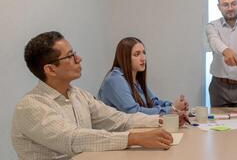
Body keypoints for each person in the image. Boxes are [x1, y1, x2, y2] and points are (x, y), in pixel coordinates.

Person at [11, 31, 182, 160]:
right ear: (50, 69)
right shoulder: (31, 106)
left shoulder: (79, 95)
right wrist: (134, 138)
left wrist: (162, 120)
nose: (79, 58)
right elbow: (73, 139)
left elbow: (119, 118)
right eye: (70, 56)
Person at [98, 37, 189, 115]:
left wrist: (176, 106)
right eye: (137, 54)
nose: (143, 58)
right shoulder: (114, 80)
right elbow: (134, 113)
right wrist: (172, 109)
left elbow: (154, 102)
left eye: (143, 53)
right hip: (121, 134)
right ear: (125, 58)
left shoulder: (136, 80)